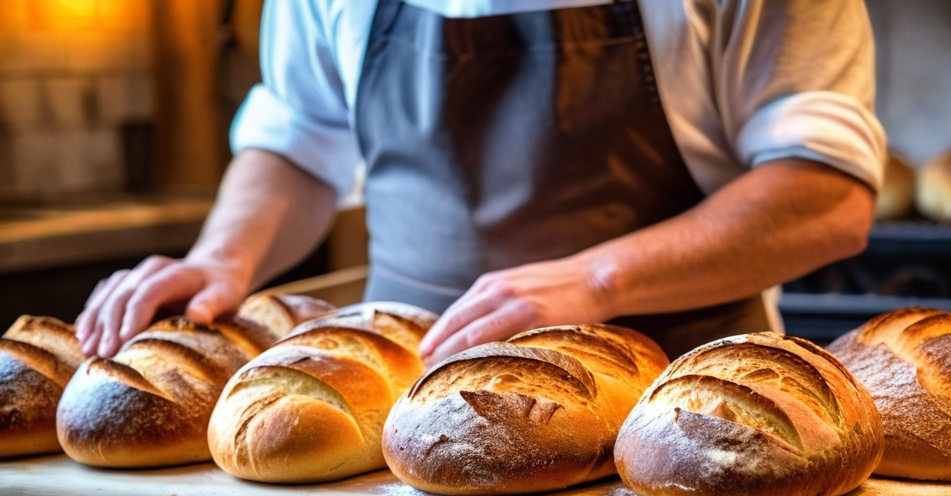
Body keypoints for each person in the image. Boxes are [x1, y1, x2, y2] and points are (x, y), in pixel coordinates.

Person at [76, 0, 885, 364]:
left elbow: (824, 192)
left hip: (686, 408)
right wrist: (224, 258)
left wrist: (597, 279)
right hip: (395, 408)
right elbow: (300, 133)